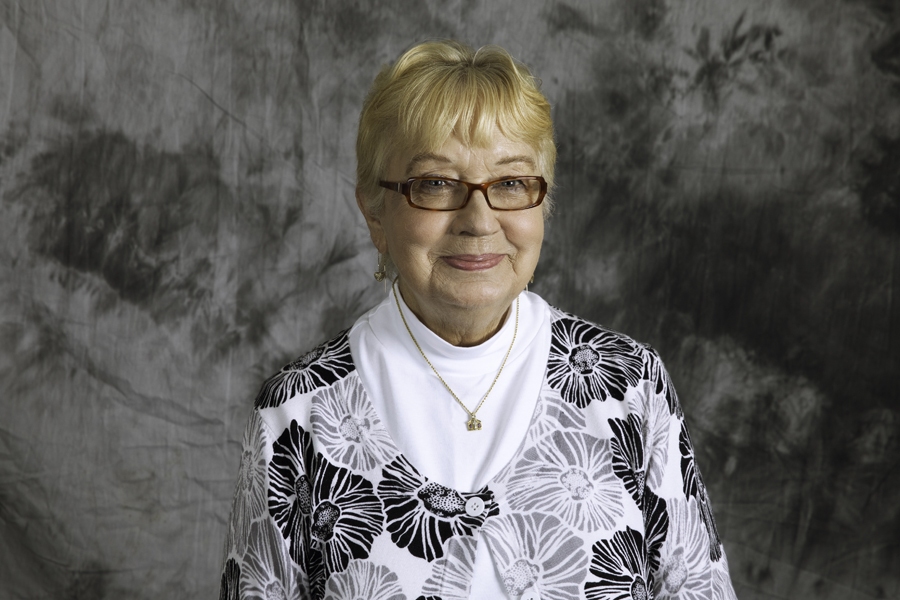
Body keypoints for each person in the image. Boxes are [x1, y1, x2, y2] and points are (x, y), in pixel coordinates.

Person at [219, 40, 737, 600]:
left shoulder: (629, 387)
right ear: (374, 212)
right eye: (437, 184)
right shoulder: (296, 413)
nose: (479, 220)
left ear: (543, 203)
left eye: (511, 183)